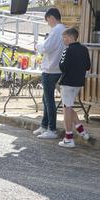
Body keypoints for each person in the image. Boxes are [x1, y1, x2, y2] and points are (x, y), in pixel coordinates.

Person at [33, 8, 67, 139]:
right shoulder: (63, 29)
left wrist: (38, 45)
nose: (48, 23)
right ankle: (44, 125)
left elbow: (46, 47)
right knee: (46, 98)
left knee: (49, 100)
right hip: (56, 68)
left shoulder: (57, 30)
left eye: (48, 21)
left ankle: (51, 129)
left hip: (50, 69)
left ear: (51, 18)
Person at [58, 28, 91, 148]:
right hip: (78, 82)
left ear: (71, 37)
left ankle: (69, 138)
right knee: (69, 106)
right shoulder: (84, 49)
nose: (63, 40)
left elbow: (62, 66)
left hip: (67, 82)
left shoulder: (68, 50)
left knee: (66, 108)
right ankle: (82, 131)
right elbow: (88, 66)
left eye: (64, 37)